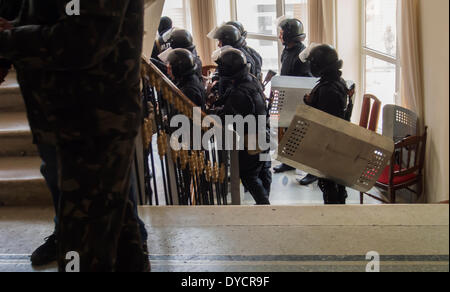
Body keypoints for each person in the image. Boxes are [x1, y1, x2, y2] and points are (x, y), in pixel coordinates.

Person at [0, 0, 149, 272]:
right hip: (70, 121)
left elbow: (85, 38)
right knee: (119, 243)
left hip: (94, 124)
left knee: (82, 251)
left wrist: (8, 39)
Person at [215, 48, 271, 205]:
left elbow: (226, 118)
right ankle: (265, 200)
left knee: (248, 175)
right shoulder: (251, 80)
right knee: (263, 170)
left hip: (252, 138)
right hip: (264, 131)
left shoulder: (239, 93)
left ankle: (264, 204)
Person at [273, 18, 317, 187]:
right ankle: (289, 162)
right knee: (289, 133)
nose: (279, 36)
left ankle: (312, 171)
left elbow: (307, 81)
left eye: (282, 34)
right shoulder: (286, 51)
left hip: (301, 102)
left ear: (289, 35)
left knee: (305, 137)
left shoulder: (302, 56)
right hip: (288, 100)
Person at [304, 44, 349, 204]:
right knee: (335, 184)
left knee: (330, 185)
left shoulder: (327, 90)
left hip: (330, 146)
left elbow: (325, 121)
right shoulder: (337, 81)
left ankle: (334, 217)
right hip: (338, 144)